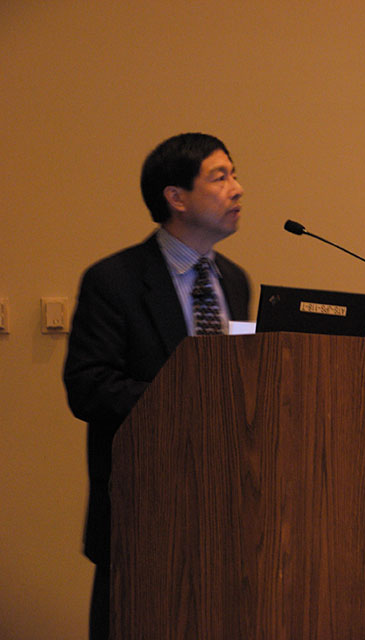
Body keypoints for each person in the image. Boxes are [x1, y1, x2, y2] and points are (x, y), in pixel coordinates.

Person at [63, 132, 250, 639]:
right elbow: (88, 386)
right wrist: (187, 400)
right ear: (176, 197)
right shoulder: (115, 280)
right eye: (220, 177)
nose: (237, 188)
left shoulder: (235, 281)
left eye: (234, 175)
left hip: (222, 512)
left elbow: (235, 385)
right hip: (143, 511)